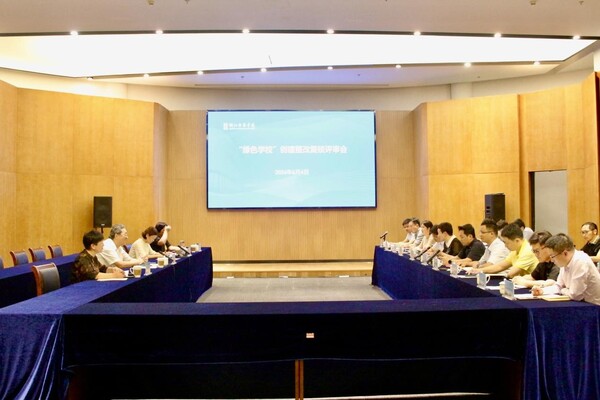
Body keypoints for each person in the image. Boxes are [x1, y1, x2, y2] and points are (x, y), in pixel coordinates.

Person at [532, 234, 600, 305]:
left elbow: (575, 295)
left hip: (594, 306)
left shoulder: (581, 261)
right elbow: (558, 286)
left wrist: (563, 290)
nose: (551, 260)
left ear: (565, 253)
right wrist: (542, 291)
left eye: (552, 256)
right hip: (581, 304)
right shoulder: (564, 263)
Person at [468, 223, 537, 278]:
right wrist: (479, 270)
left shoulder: (527, 251)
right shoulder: (515, 249)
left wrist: (481, 270)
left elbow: (511, 274)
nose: (505, 246)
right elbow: (500, 266)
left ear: (517, 241)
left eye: (507, 243)